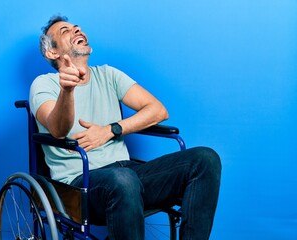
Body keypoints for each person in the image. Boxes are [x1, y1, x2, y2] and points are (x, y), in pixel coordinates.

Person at [30, 15, 221, 240]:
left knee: (205, 159)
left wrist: (111, 130)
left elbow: (158, 110)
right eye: (65, 31)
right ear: (52, 53)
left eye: (77, 27)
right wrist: (67, 90)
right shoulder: (44, 84)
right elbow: (57, 130)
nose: (77, 30)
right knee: (123, 180)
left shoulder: (108, 75)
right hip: (80, 184)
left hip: (128, 173)